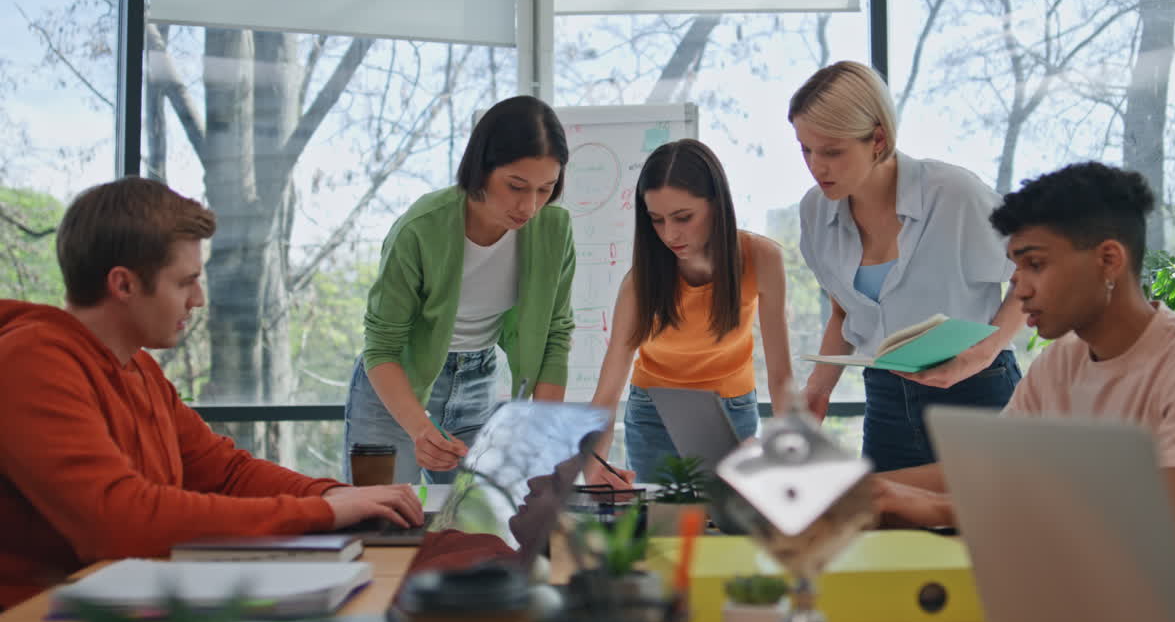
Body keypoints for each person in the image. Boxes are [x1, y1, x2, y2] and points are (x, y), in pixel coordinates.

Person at [0, 177, 423, 609]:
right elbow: (118, 520)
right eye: (185, 282)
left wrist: (332, 495)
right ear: (123, 285)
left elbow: (225, 473)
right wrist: (325, 512)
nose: (198, 299)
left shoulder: (138, 368)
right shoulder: (31, 360)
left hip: (122, 611)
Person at [881, 162, 1175, 575]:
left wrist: (938, 509)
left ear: (1108, 260)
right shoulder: (1059, 363)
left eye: (1035, 265)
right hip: (1089, 600)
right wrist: (866, 490)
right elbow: (986, 471)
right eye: (1016, 269)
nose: (1020, 288)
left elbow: (1167, 526)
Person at [791, 61, 1025, 471]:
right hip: (886, 401)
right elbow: (846, 309)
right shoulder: (815, 211)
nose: (816, 166)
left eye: (832, 151)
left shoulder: (954, 194)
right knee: (886, 529)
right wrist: (816, 392)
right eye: (806, 149)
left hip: (977, 394)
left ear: (877, 139)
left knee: (985, 529)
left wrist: (982, 354)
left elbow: (1040, 271)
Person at [346, 95, 576, 485]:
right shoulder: (421, 227)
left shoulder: (554, 229)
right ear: (481, 169)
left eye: (545, 188)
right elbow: (382, 346)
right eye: (516, 186)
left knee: (478, 527)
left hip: (478, 384)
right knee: (379, 522)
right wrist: (419, 428)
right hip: (393, 390)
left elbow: (556, 334)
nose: (530, 206)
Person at [587, 139, 792, 483]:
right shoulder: (638, 283)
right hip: (654, 411)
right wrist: (592, 465)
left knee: (729, 526)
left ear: (716, 204)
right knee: (661, 524)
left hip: (732, 409)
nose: (670, 234)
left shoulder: (763, 258)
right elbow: (607, 393)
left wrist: (786, 449)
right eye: (657, 220)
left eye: (683, 217)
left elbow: (782, 376)